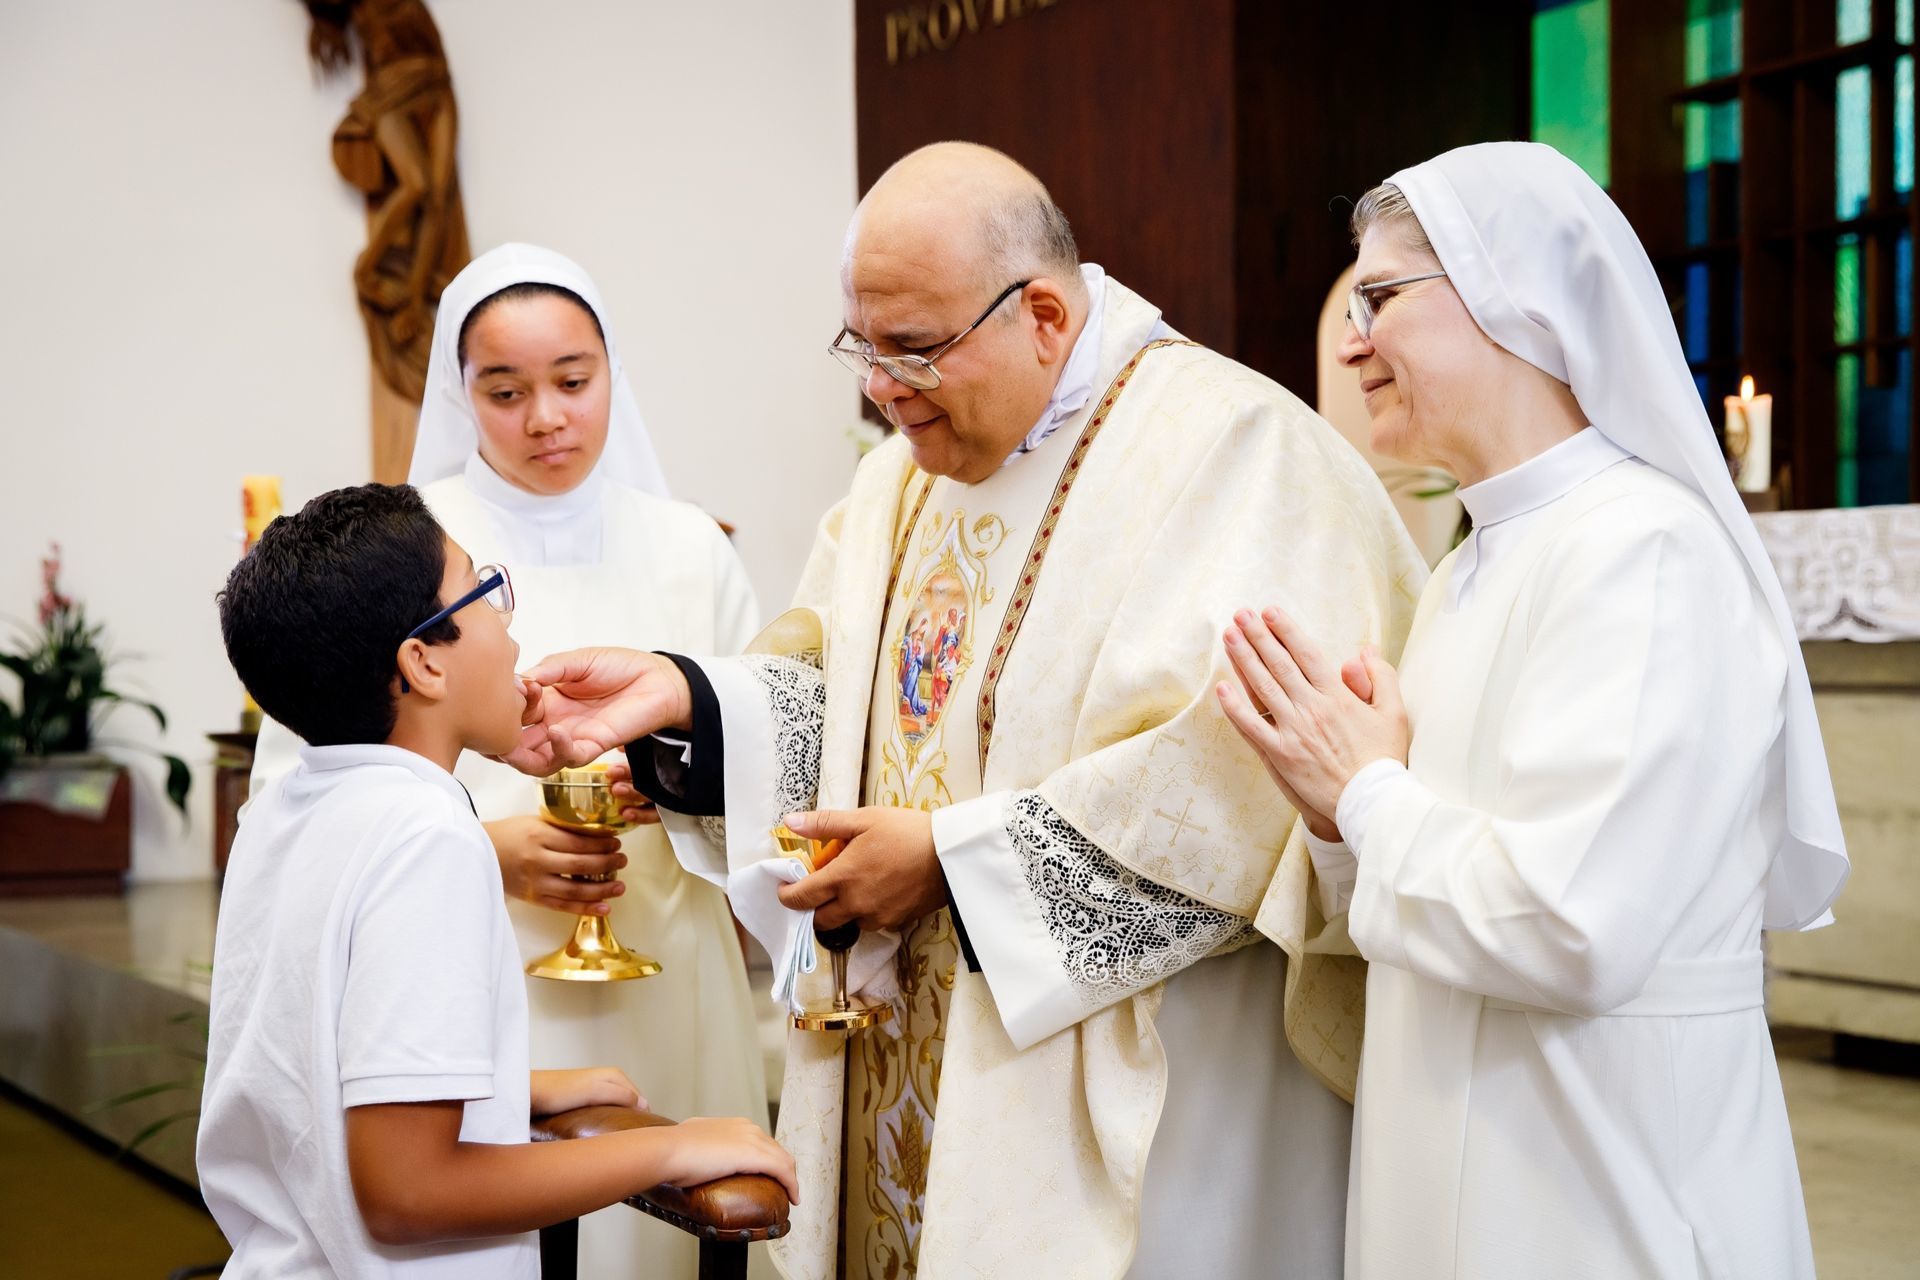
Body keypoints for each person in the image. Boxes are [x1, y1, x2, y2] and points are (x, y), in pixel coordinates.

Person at [502, 143, 1425, 1279]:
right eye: (862, 346)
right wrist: (693, 701)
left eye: (915, 349)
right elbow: (841, 690)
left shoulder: (1238, 454)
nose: (882, 388)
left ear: (1042, 312)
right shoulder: (905, 474)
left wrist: (949, 860)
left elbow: (1248, 786)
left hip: (1164, 1098)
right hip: (909, 1050)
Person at [1217, 142, 1851, 1279]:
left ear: (1511, 291)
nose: (1349, 338)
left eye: (1379, 297)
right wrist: (1330, 803)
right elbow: (1432, 885)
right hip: (1455, 1131)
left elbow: (1574, 922)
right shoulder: (1472, 565)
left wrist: (1365, 789)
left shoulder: (1644, 550)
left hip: (1598, 1173)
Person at [248, 243, 768, 1279]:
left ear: (612, 370)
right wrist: (487, 847)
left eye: (574, 381)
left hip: (671, 966)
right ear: (461, 392)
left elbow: (766, 749)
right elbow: (294, 803)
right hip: (468, 974)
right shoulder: (407, 550)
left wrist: (675, 791)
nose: (546, 418)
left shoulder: (690, 545)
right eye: (506, 389)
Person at [200, 483, 795, 1279]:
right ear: (422, 661)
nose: (508, 624)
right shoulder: (427, 838)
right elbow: (408, 1193)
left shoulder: (284, 812)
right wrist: (670, 1148)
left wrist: (507, 1093)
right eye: (485, 591)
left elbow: (308, 1077)